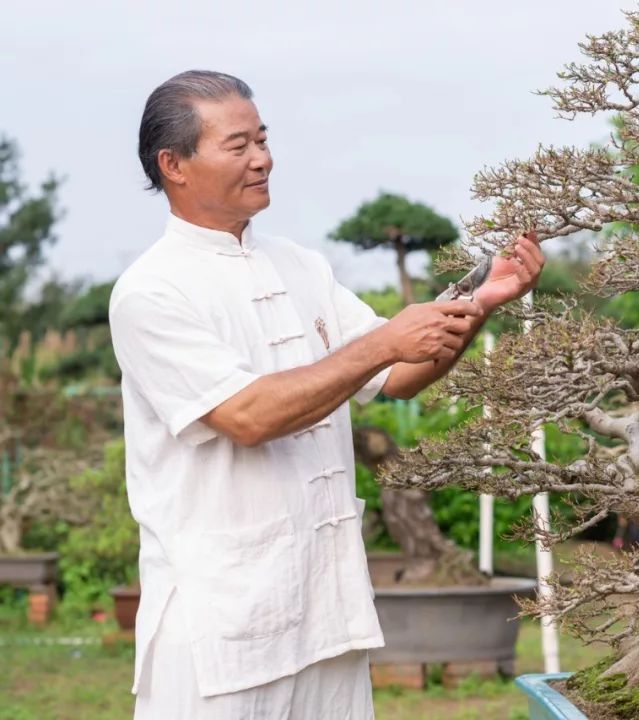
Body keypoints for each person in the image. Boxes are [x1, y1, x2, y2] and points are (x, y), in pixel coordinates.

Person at [109, 69, 544, 719]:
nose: (263, 158)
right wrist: (381, 344)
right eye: (238, 145)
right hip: (221, 627)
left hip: (325, 610)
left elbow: (398, 376)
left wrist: (480, 302)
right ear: (173, 164)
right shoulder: (152, 292)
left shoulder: (300, 265)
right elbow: (247, 416)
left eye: (263, 138)